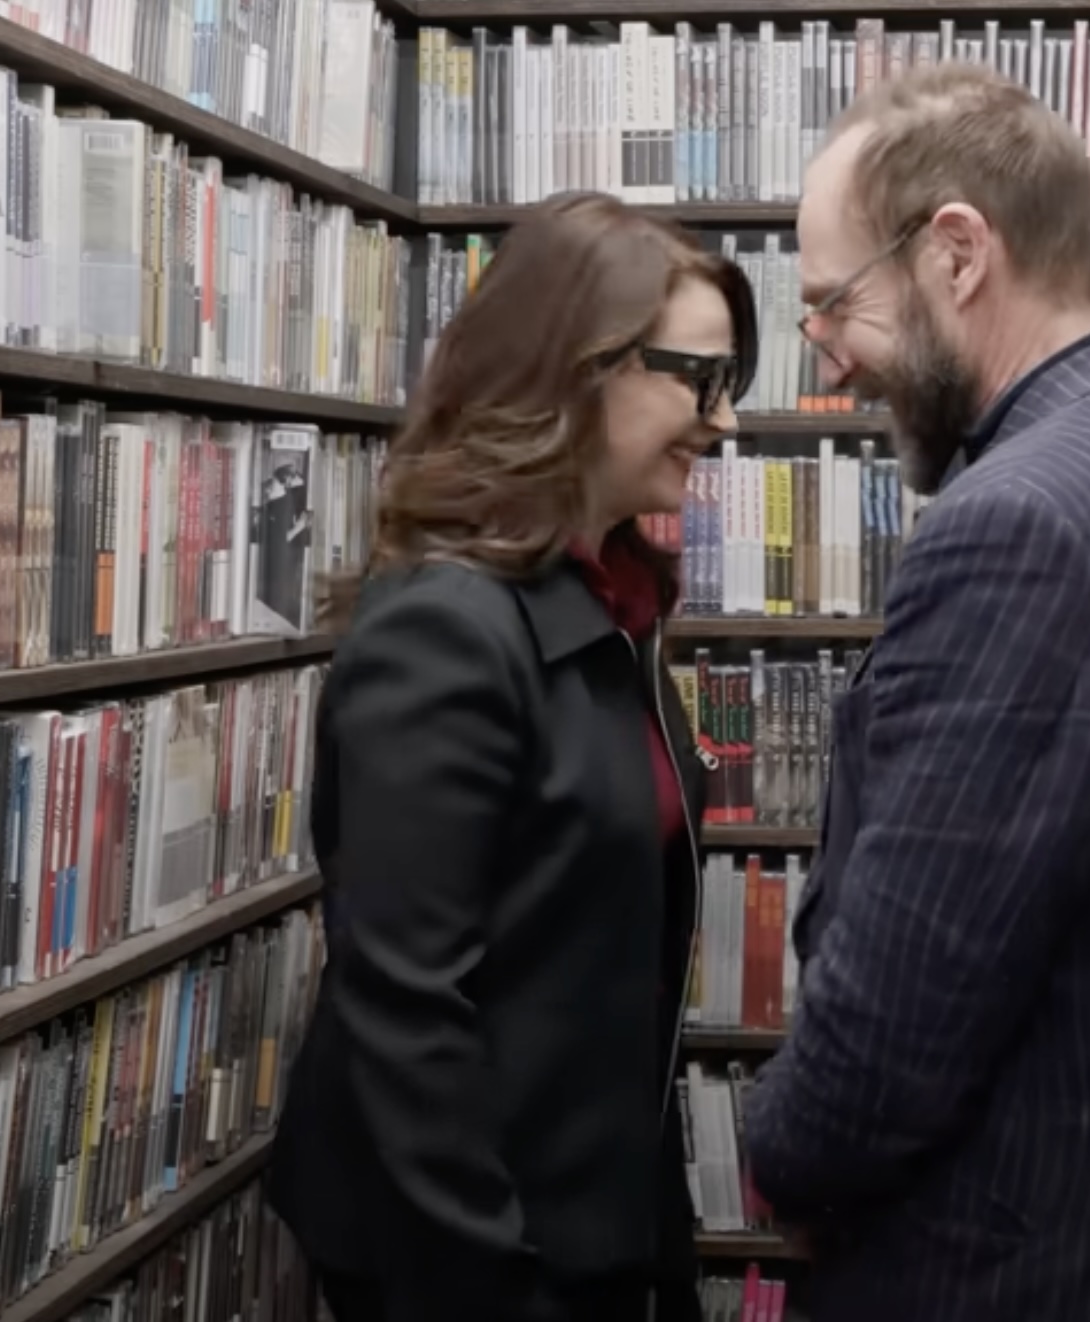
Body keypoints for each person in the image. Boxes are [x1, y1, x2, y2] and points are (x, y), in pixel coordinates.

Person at [740, 63, 1090, 1320]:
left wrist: (770, 1147)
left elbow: (881, 1048)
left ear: (957, 254)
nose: (827, 359)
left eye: (835, 301)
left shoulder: (1019, 527)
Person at [265, 190, 754, 1322]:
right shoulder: (444, 632)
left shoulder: (613, 607)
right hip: (473, 1251)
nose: (724, 424)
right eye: (700, 378)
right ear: (580, 369)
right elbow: (408, 1022)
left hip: (591, 1212)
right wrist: (498, 1284)